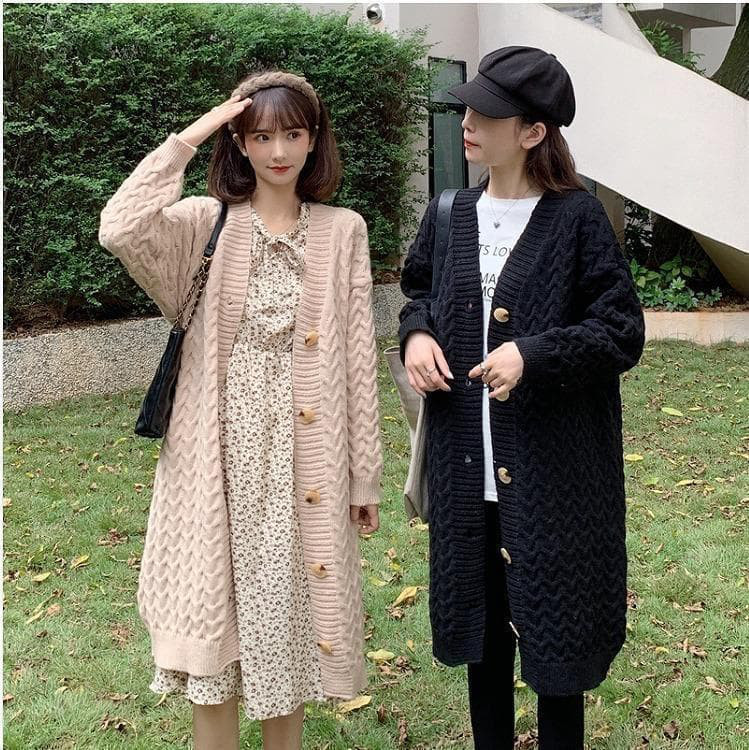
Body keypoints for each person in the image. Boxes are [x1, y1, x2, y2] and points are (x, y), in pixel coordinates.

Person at [98, 70, 383, 750]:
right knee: (215, 628)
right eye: (260, 136)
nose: (278, 151)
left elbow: (357, 361)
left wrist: (364, 478)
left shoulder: (343, 230)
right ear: (240, 142)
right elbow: (120, 226)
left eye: (293, 134)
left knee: (288, 622)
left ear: (313, 140)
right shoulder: (204, 223)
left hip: (303, 467)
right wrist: (194, 134)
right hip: (215, 462)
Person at [398, 47, 645, 749]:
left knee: (556, 652)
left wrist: (532, 355)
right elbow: (419, 293)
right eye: (468, 110)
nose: (467, 123)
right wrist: (417, 335)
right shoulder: (450, 213)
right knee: (483, 645)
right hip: (466, 472)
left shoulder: (577, 219)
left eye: (487, 114)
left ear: (533, 131)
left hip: (553, 478)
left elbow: (620, 331)